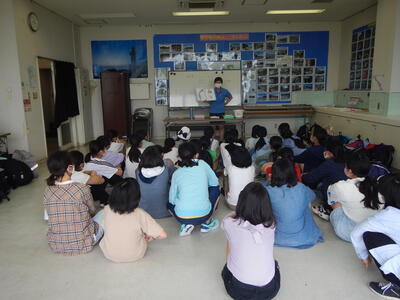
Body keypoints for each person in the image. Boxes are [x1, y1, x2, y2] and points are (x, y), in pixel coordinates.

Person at [221, 182, 280, 300]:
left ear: (241, 203)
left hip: (239, 291)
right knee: (275, 263)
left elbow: (231, 217)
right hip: (269, 291)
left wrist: (238, 214)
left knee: (230, 244)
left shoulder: (230, 224)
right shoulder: (271, 225)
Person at [44, 151, 103, 255]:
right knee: (105, 213)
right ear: (70, 168)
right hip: (83, 244)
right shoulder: (82, 188)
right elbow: (92, 212)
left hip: (56, 244)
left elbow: (48, 216)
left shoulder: (47, 190)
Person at [350, 173, 400, 298]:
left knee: (370, 235)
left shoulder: (387, 216)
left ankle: (397, 287)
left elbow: (356, 232)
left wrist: (363, 255)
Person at [100, 178, 167, 263]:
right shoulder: (140, 213)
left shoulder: (106, 209)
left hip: (109, 254)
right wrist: (151, 238)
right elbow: (163, 235)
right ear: (136, 197)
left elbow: (105, 226)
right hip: (135, 255)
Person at [265, 159, 323, 248]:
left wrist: (267, 182)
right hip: (303, 237)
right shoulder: (301, 188)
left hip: (277, 237)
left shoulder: (268, 190)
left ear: (273, 175)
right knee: (305, 202)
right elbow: (313, 196)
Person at [326, 151, 382, 242]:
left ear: (350, 171)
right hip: (373, 231)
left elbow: (331, 201)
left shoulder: (340, 186)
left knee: (336, 201)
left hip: (348, 232)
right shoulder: (378, 185)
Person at [168, 143, 220, 236]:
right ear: (197, 155)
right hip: (204, 214)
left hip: (182, 217)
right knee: (216, 189)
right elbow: (215, 183)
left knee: (168, 205)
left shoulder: (176, 173)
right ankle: (206, 223)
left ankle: (186, 225)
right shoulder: (203, 164)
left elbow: (171, 199)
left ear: (179, 158)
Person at [305, 137, 348, 220]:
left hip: (334, 199)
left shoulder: (329, 163)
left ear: (329, 152)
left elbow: (310, 179)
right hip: (347, 198)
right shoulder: (347, 159)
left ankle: (327, 208)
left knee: (314, 188)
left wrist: (303, 176)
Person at [136, 146, 175, 219]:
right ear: (161, 155)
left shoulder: (138, 170)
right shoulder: (166, 167)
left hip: (143, 211)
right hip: (164, 211)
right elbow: (174, 178)